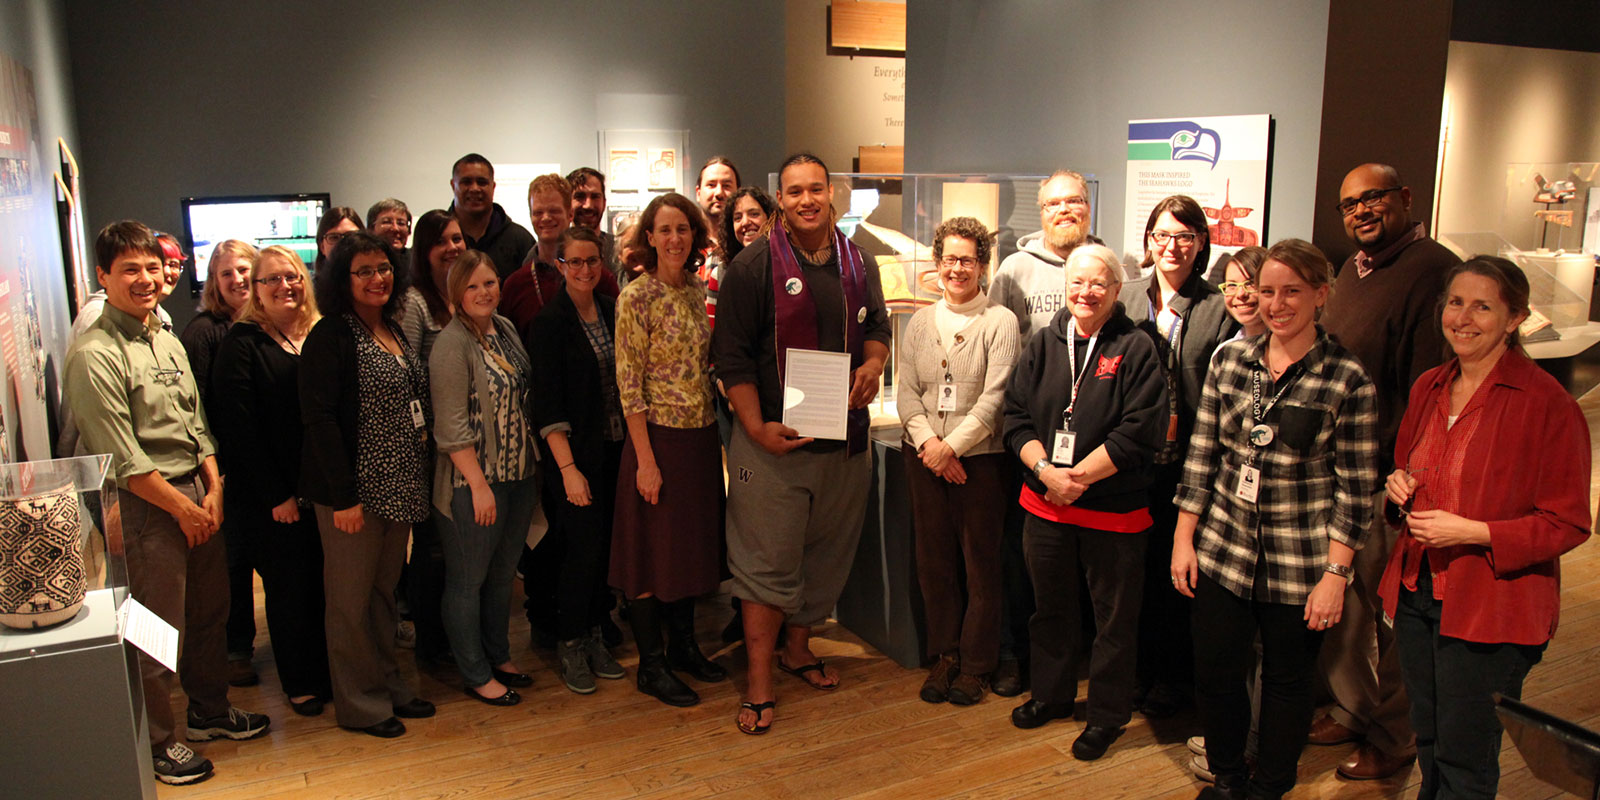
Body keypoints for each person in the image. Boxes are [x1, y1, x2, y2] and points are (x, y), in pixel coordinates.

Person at [1172, 238, 1380, 800]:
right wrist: (1184, 538)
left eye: (1292, 291)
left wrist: (1336, 576)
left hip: (1301, 562)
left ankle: (1270, 788)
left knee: (1287, 684)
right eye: (1267, 291)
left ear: (1321, 294)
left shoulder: (1347, 378)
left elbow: (1355, 490)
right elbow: (1202, 454)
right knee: (1216, 677)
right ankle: (1228, 778)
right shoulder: (1230, 361)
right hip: (1223, 549)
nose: (1277, 303)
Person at [64, 221, 269, 785]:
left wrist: (214, 486)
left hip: (199, 493)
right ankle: (159, 741)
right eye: (129, 269)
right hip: (149, 504)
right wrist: (182, 508)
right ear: (103, 276)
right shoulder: (94, 354)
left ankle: (208, 712)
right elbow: (122, 455)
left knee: (211, 611)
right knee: (155, 629)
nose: (145, 278)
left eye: (152, 267)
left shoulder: (166, 337)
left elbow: (196, 423)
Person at [1378, 256, 1591, 799]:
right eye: (1455, 302)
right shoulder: (1430, 385)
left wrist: (1475, 533)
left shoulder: (1548, 404)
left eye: (1483, 306)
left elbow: (1567, 522)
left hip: (1491, 605)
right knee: (1429, 741)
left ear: (1516, 317)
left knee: (1466, 758)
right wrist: (1397, 486)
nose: (1463, 317)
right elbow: (1407, 466)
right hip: (1417, 590)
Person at [713, 153, 891, 735]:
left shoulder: (859, 260)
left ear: (832, 195)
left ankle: (798, 649)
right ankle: (760, 679)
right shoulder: (752, 266)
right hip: (772, 444)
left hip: (843, 444)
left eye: (816, 190)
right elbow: (731, 357)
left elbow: (877, 328)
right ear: (779, 201)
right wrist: (757, 428)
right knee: (766, 562)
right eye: (795, 192)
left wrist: (873, 364)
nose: (807, 200)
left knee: (824, 554)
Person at [1314, 162, 1459, 780]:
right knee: (1344, 603)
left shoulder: (1433, 270)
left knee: (1394, 614)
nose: (1361, 212)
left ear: (1405, 198)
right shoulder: (1354, 268)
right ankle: (1352, 705)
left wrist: (1407, 476)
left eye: (1372, 199)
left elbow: (1430, 389)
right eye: (1349, 205)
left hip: (1389, 479)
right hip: (1341, 469)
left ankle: (1395, 734)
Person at [1002, 244, 1166, 762]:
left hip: (1113, 511)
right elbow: (1015, 418)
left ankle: (1106, 716)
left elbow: (1141, 431)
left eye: (1099, 283)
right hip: (1046, 503)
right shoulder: (1045, 345)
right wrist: (1047, 473)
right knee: (1049, 610)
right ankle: (1051, 695)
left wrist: (1078, 478)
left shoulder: (1138, 347)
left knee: (1113, 620)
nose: (1086, 292)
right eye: (1078, 282)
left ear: (1117, 291)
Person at [300, 232, 436, 738]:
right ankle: (360, 704)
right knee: (350, 603)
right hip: (352, 493)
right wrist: (344, 497)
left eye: (384, 268)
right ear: (343, 279)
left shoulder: (394, 330)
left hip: (398, 484)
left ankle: (390, 685)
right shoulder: (331, 336)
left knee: (382, 594)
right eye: (364, 271)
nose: (377, 278)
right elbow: (319, 421)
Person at [1117, 196, 1238, 719]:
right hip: (1128, 464)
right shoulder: (1125, 297)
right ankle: (1137, 672)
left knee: (1179, 577)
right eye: (1162, 235)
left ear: (1201, 244)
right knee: (1131, 576)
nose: (1172, 246)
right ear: (1148, 242)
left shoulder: (1218, 308)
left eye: (1185, 236)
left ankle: (1174, 679)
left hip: (1187, 468)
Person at [611, 192, 728, 708]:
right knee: (647, 555)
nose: (675, 239)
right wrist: (646, 461)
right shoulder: (636, 298)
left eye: (683, 229)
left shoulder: (696, 291)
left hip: (699, 439)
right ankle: (651, 664)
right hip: (655, 439)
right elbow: (628, 385)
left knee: (686, 551)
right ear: (650, 238)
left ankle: (683, 647)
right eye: (665, 230)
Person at [897, 217, 1020, 706]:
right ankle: (945, 655)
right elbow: (907, 392)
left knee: (981, 564)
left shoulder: (1000, 321)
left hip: (981, 463)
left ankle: (977, 666)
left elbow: (996, 398)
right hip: (924, 459)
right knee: (935, 563)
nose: (958, 268)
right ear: (937, 263)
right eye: (949, 258)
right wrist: (931, 445)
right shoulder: (921, 322)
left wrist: (954, 448)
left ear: (983, 265)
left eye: (968, 259)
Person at [987, 168, 1099, 696]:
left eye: (1074, 200)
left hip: (1090, 445)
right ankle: (1016, 653)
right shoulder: (1014, 269)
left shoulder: (1104, 265)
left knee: (1078, 556)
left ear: (1088, 206)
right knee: (1020, 553)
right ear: (1041, 210)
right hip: (1027, 438)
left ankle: (1073, 659)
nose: (1065, 210)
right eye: (1054, 203)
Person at [209, 245, 333, 718]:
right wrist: (276, 495)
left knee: (325, 585)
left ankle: (327, 673)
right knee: (289, 589)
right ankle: (301, 683)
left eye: (292, 276)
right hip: (272, 497)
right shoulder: (242, 344)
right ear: (256, 291)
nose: (285, 286)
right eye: (272, 280)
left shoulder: (318, 333)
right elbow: (239, 432)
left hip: (322, 489)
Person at [428, 250, 541, 706]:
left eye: (489, 283)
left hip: (518, 474)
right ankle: (474, 671)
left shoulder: (506, 329)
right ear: (456, 293)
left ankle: (499, 655)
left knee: (501, 578)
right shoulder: (450, 344)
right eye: (472, 286)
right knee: (467, 580)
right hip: (472, 484)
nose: (483, 293)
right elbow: (451, 428)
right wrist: (478, 485)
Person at [529, 226, 629, 694]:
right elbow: (548, 407)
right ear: (560, 266)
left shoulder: (612, 310)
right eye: (575, 262)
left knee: (603, 550)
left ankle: (594, 635)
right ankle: (570, 642)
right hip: (573, 460)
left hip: (614, 451)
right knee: (578, 554)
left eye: (593, 261)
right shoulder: (549, 324)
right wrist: (569, 471)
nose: (585, 270)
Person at [179, 238, 260, 688]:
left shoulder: (266, 324)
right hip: (223, 469)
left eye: (244, 269)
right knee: (232, 563)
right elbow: (197, 408)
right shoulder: (203, 332)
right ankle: (235, 650)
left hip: (264, 468)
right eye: (226, 273)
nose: (237, 279)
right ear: (214, 280)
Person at [397, 208, 463, 665]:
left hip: (465, 441)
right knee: (432, 546)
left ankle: (456, 634)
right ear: (425, 250)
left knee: (455, 545)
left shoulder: (463, 293)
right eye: (444, 241)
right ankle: (431, 643)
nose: (454, 248)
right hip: (431, 445)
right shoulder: (415, 301)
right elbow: (407, 370)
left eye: (458, 238)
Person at [501, 173, 619, 339]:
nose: (546, 218)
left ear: (570, 214)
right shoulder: (515, 286)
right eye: (538, 212)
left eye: (554, 211)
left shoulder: (599, 278)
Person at [449, 153, 534, 278]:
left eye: (481, 182)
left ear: (493, 186)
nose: (474, 188)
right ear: (453, 185)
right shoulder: (437, 238)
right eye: (466, 182)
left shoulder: (520, 240)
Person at [568, 166, 621, 282]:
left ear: (604, 202)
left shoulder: (619, 249)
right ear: (567, 202)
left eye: (595, 197)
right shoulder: (558, 250)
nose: (588, 205)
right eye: (580, 197)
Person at [720, 185, 776, 263]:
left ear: (770, 217)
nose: (745, 222)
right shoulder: (722, 271)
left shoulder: (787, 263)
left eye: (754, 214)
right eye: (738, 217)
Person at [695, 156, 740, 245]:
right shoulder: (687, 242)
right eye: (711, 185)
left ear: (738, 193)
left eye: (726, 185)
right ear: (698, 193)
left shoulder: (746, 242)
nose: (719, 193)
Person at [313, 206, 364, 276]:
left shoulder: (378, 281)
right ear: (322, 247)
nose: (343, 243)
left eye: (350, 235)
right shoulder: (311, 286)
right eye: (334, 237)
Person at [367, 198, 412, 266]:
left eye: (401, 223)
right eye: (387, 222)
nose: (395, 228)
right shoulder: (360, 262)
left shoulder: (418, 263)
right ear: (371, 228)